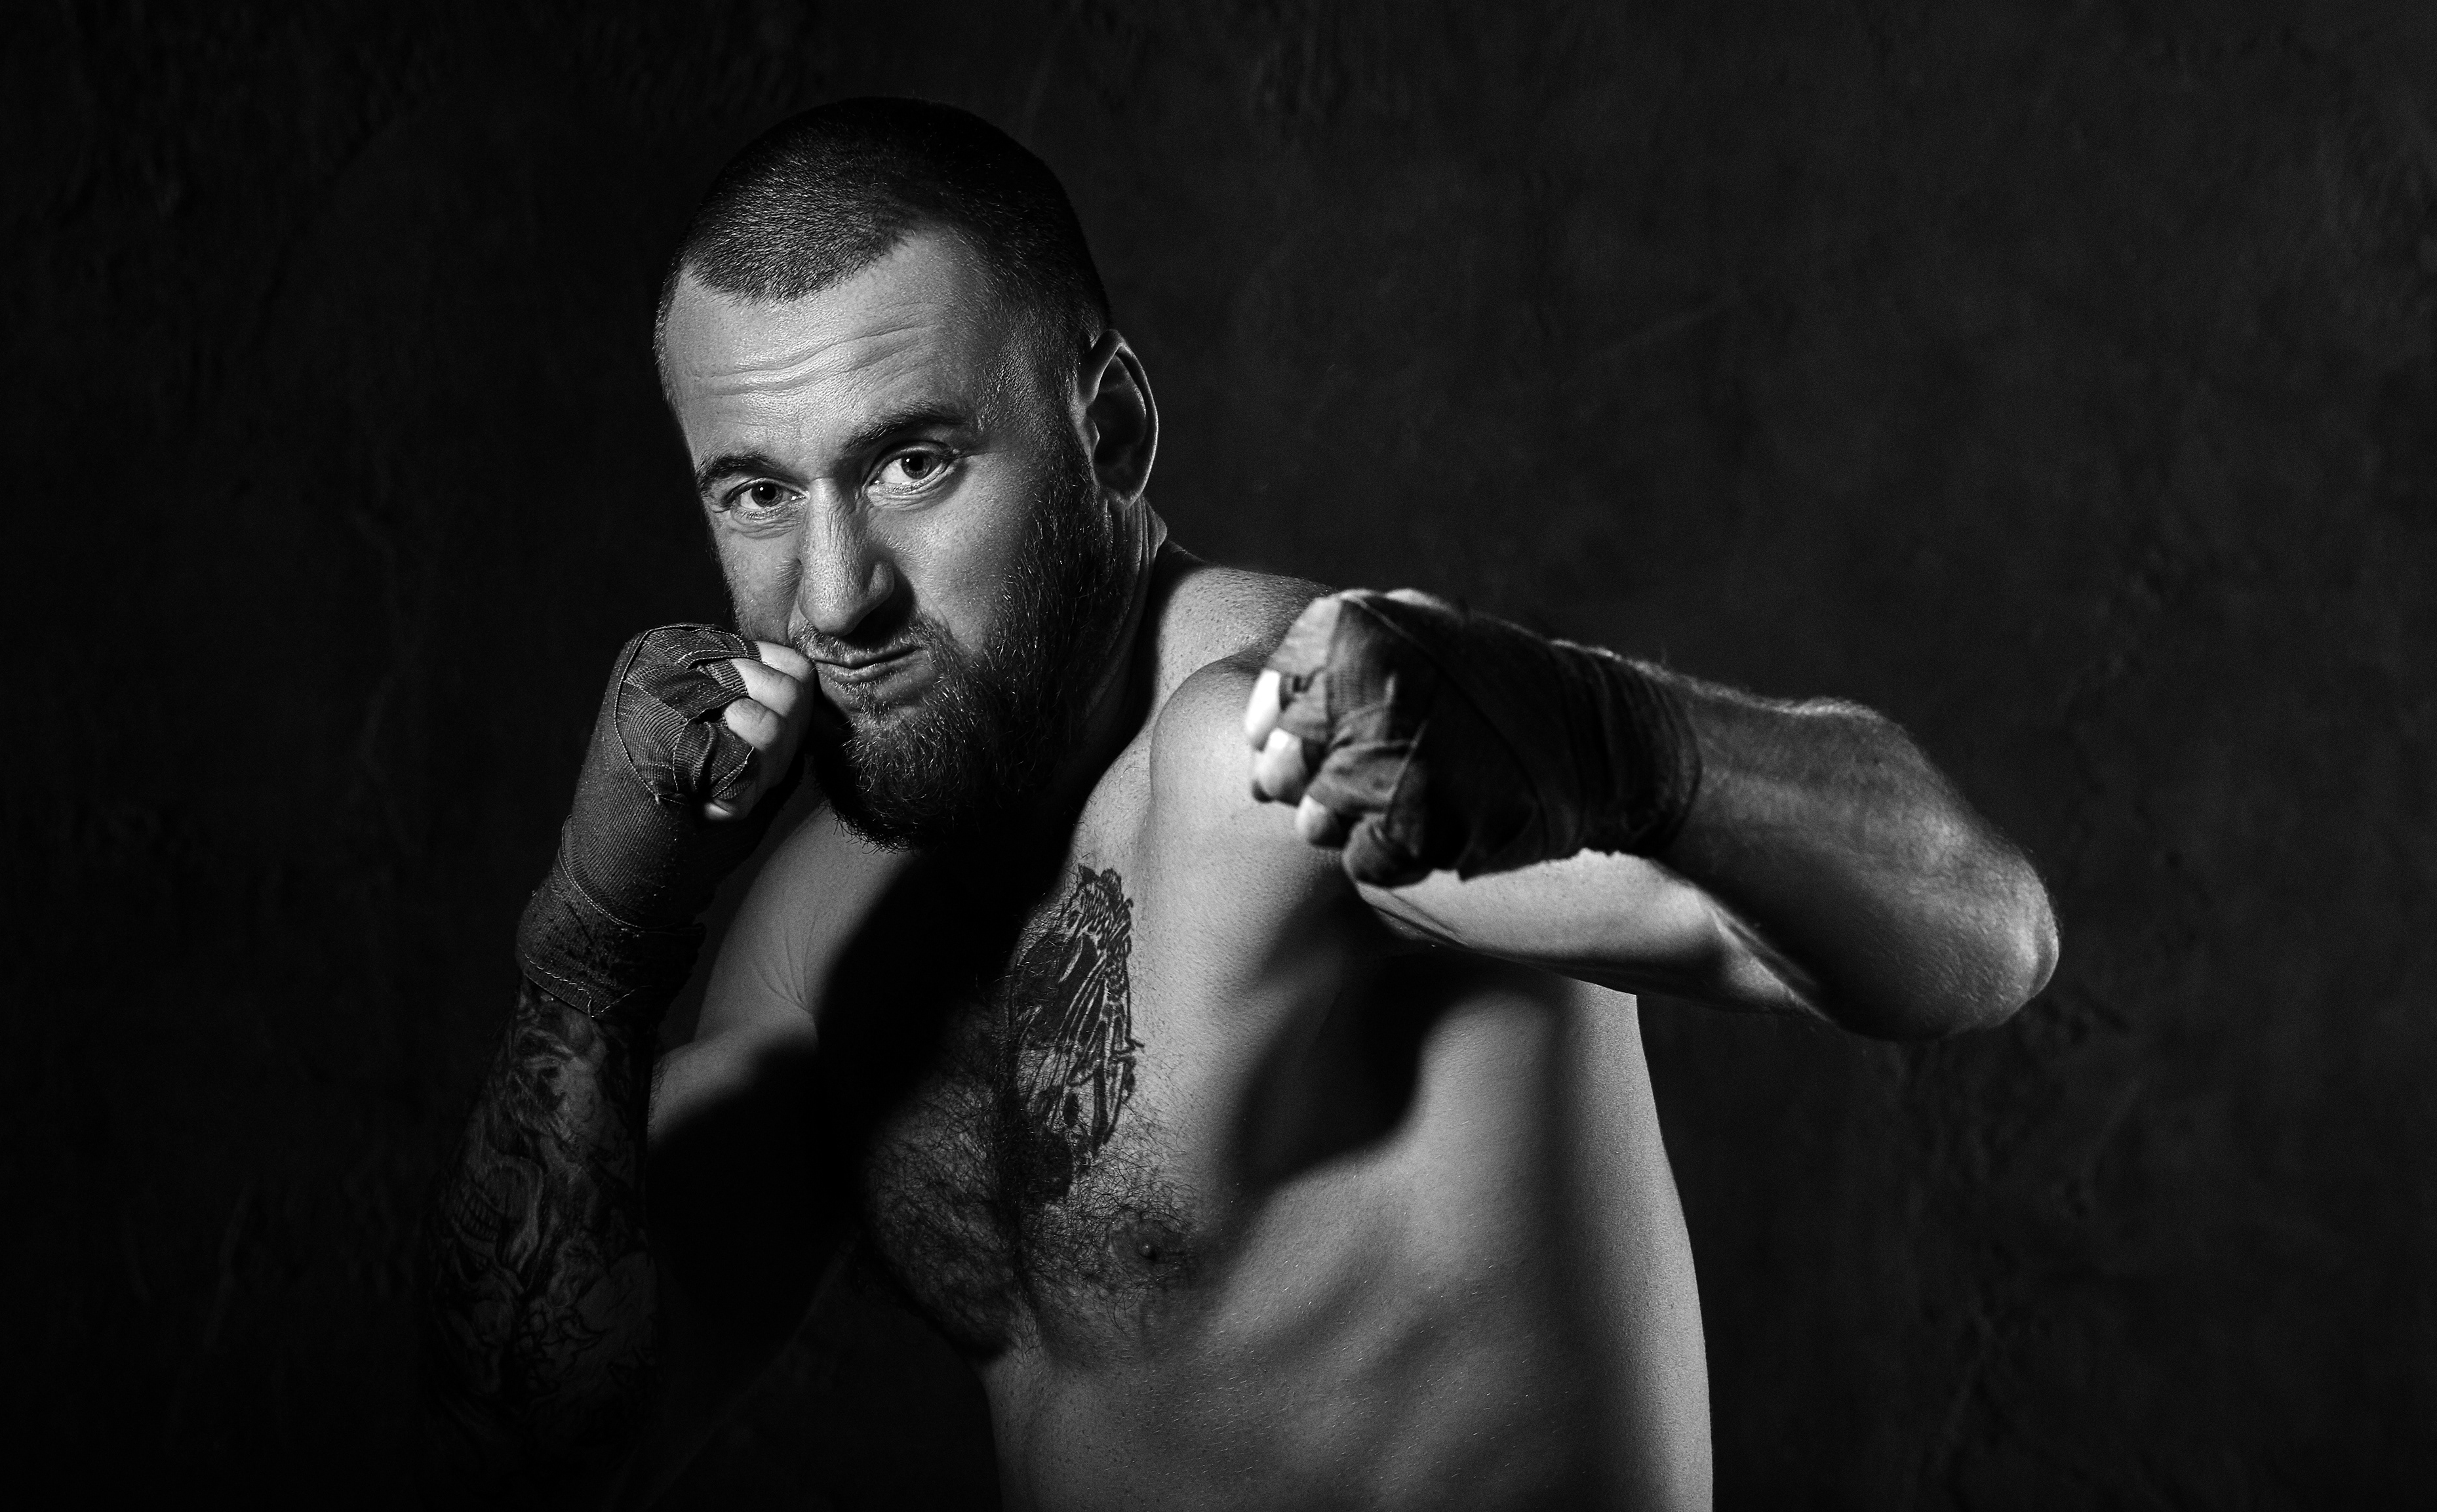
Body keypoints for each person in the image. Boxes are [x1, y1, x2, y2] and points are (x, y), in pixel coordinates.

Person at [421, 98, 2057, 1511]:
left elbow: (1984, 941)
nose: (835, 593)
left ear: (1111, 428)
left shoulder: (1275, 755)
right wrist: (592, 952)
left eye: (914, 462)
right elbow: (555, 1441)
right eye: (761, 492)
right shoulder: (827, 921)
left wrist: (1619, 741)